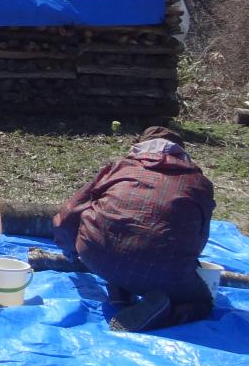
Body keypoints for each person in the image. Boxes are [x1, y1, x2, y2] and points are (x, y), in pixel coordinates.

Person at [52, 127, 216, 333]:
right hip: (164, 270)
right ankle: (165, 314)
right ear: (181, 153)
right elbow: (199, 238)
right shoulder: (199, 184)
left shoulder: (120, 168)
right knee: (202, 302)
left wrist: (71, 251)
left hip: (97, 255)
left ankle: (121, 296)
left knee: (120, 242)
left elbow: (68, 213)